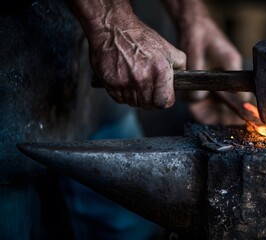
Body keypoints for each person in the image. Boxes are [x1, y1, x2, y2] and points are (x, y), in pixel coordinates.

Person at [0, 0, 242, 239]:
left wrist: (192, 18)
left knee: (132, 225)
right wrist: (111, 26)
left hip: (96, 86)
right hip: (15, 80)